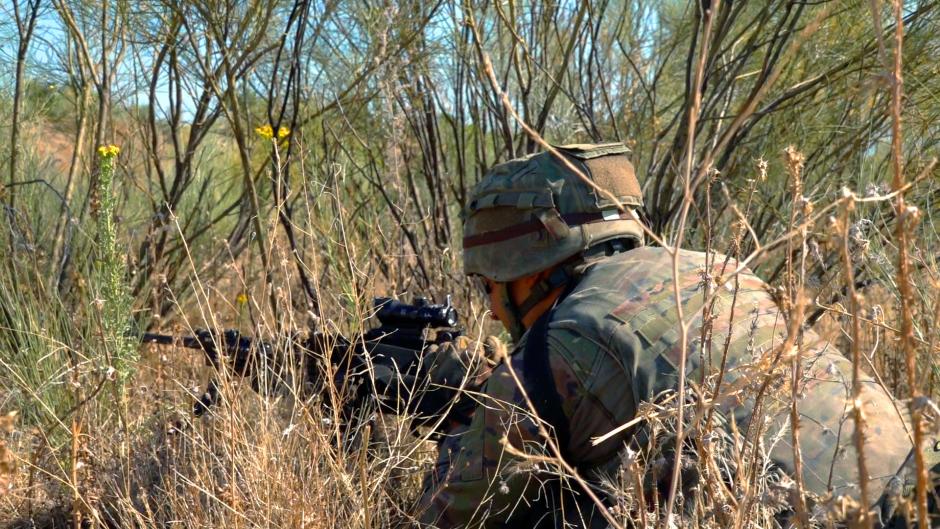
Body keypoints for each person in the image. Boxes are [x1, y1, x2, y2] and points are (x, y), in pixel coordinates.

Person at [415, 143, 940, 528]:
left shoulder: (557, 347)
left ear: (526, 268)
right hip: (915, 483)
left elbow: (451, 514)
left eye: (490, 286)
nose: (488, 307)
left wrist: (461, 424)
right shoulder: (721, 270)